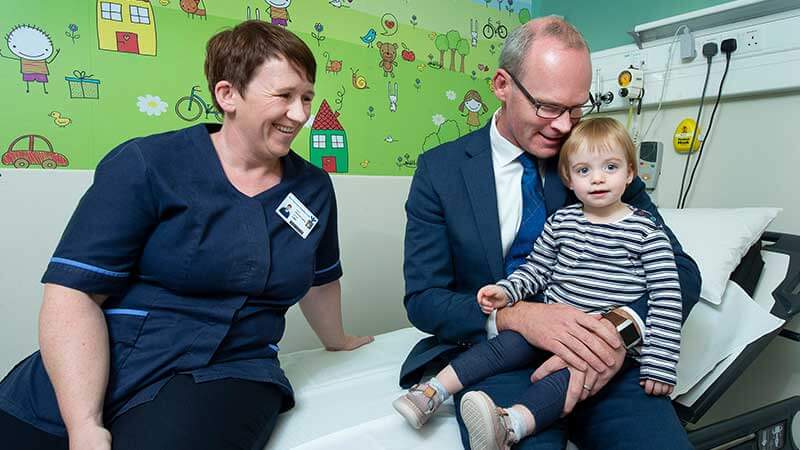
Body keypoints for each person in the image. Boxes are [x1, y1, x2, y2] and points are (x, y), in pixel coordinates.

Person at [0, 21, 372, 450]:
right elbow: (74, 292)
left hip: (230, 368)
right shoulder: (148, 164)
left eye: (306, 96)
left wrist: (339, 340)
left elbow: (321, 278)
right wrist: (84, 423)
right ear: (227, 94)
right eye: (284, 96)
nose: (301, 114)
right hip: (117, 352)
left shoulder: (312, 189)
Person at [399, 16, 701, 450]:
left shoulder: (598, 165)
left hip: (601, 356)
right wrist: (515, 315)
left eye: (577, 108)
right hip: (501, 361)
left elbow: (682, 272)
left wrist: (616, 332)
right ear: (502, 85)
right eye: (548, 107)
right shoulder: (441, 172)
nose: (564, 126)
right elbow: (424, 299)